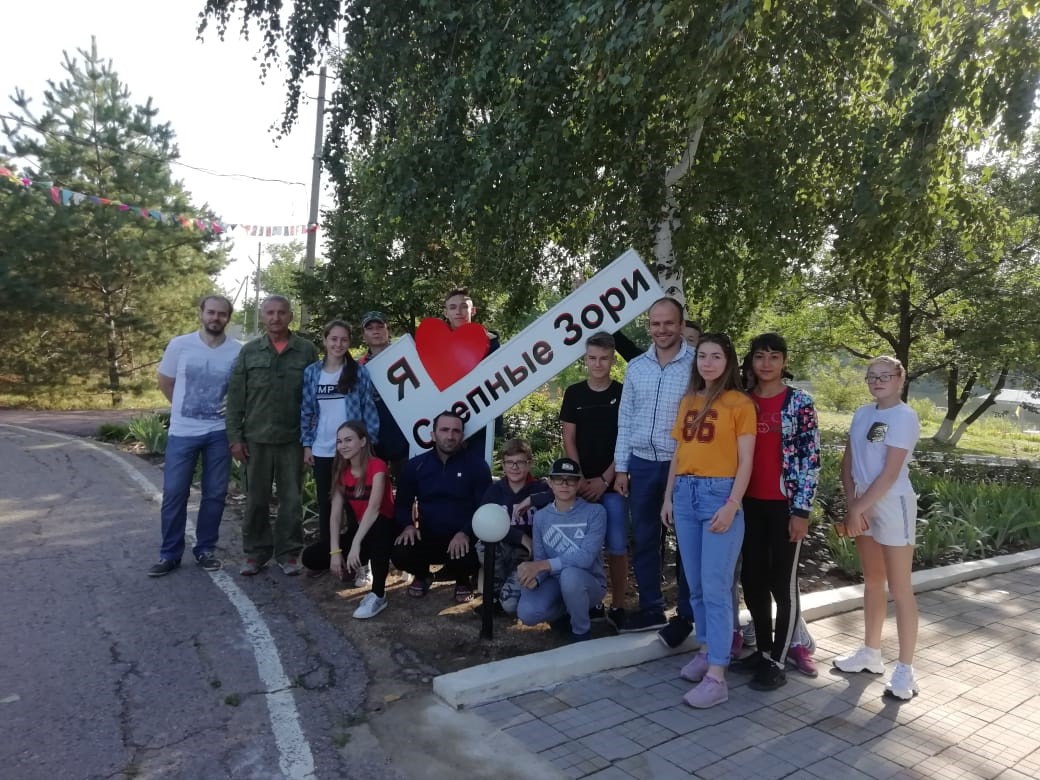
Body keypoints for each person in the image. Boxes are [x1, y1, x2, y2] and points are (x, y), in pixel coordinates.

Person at [662, 333, 756, 708]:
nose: (708, 362)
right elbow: (679, 452)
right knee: (696, 585)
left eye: (716, 356)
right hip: (685, 493)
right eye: (702, 356)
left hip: (720, 495)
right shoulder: (688, 401)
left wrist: (733, 503)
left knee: (716, 588)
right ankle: (706, 649)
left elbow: (746, 460)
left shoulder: (739, 403)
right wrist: (668, 496)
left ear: (728, 361)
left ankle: (718, 675)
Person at [733, 333, 821, 690]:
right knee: (752, 580)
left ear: (784, 361)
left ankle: (778, 659)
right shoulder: (742, 402)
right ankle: (764, 649)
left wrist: (801, 509)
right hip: (747, 504)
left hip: (785, 507)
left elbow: (810, 459)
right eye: (759, 356)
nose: (766, 363)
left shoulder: (799, 402)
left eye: (773, 356)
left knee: (782, 584)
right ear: (751, 361)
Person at [833, 356, 921, 701]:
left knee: (900, 588)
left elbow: (889, 473)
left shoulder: (904, 416)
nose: (878, 381)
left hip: (891, 505)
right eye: (872, 376)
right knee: (872, 580)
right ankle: (870, 652)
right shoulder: (862, 413)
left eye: (885, 376)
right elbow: (849, 461)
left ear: (900, 378)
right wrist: (852, 499)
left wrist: (858, 508)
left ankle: (905, 670)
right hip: (862, 502)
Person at [613, 297, 694, 634]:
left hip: (686, 467)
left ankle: (688, 613)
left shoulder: (696, 365)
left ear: (680, 324)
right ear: (648, 326)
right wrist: (621, 467)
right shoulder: (636, 367)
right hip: (643, 465)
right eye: (655, 323)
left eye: (668, 323)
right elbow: (626, 419)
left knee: (688, 541)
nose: (661, 330)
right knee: (645, 539)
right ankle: (651, 608)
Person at [226, 295, 320, 576]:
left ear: (291, 316)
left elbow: (316, 398)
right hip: (256, 440)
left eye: (281, 312)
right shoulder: (249, 352)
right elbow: (235, 398)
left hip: (293, 440)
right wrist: (235, 437)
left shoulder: (306, 351)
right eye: (270, 312)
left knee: (292, 500)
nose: (276, 317)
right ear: (262, 316)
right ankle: (256, 553)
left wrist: (310, 440)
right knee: (256, 500)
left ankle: (289, 553)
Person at [148, 295, 242, 576]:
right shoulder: (180, 345)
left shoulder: (237, 351)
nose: (215, 318)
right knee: (175, 493)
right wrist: (184, 408)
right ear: (201, 313)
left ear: (228, 318)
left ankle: (205, 549)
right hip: (182, 431)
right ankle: (169, 554)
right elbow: (165, 382)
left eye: (221, 314)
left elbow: (237, 391)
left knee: (214, 494)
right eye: (211, 312)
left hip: (218, 432)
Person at [300, 320, 381, 584]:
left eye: (343, 340)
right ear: (325, 341)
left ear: (349, 342)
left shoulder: (358, 372)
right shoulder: (313, 372)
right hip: (324, 450)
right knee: (327, 506)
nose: (338, 344)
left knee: (357, 506)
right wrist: (307, 444)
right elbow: (307, 411)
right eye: (333, 339)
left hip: (353, 452)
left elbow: (369, 411)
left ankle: (362, 563)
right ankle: (332, 558)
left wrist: (369, 444)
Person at [559, 331, 629, 626]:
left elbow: (627, 439)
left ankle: (619, 604)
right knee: (582, 545)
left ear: (613, 359)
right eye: (592, 358)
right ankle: (590, 601)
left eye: (604, 358)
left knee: (616, 543)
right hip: (580, 483)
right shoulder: (574, 393)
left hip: (612, 483)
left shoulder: (624, 392)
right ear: (585, 359)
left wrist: (604, 479)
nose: (598, 364)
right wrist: (581, 479)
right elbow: (569, 439)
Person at [391, 410, 492, 602]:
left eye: (456, 431)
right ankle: (423, 575)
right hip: (427, 537)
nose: (450, 436)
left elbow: (484, 508)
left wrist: (466, 532)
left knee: (468, 558)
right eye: (444, 430)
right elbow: (402, 505)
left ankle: (463, 580)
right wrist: (408, 526)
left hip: (462, 540)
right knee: (400, 552)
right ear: (433, 434)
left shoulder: (477, 466)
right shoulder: (415, 466)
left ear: (462, 435)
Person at [301, 421, 396, 619]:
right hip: (361, 532)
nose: (343, 445)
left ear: (362, 441)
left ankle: (378, 594)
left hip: (385, 530)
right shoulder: (341, 473)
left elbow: (374, 508)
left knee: (377, 526)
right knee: (311, 557)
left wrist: (355, 545)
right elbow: (335, 515)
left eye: (348, 440)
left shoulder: (377, 466)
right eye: (339, 441)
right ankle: (362, 562)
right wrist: (335, 552)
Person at [516, 458, 607, 642]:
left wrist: (541, 565)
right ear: (550, 482)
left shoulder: (595, 512)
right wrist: (534, 578)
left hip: (587, 582)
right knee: (527, 612)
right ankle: (565, 613)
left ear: (579, 483)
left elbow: (586, 558)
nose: (564, 484)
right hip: (555, 582)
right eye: (559, 479)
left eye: (570, 479)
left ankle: (581, 631)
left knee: (570, 576)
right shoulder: (541, 517)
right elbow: (540, 558)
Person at [478, 439, 553, 614]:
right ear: (503, 465)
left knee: (510, 606)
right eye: (509, 462)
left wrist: (533, 499)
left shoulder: (540, 488)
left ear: (529, 464)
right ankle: (493, 595)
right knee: (483, 544)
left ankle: (512, 594)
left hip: (528, 556)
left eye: (520, 462)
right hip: (503, 550)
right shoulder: (494, 491)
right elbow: (484, 523)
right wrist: (521, 537)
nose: (515, 467)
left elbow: (564, 495)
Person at [444, 287, 501, 453]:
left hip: (481, 420)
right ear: (446, 312)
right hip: (447, 421)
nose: (459, 312)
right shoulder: (438, 344)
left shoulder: (490, 342)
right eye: (452, 307)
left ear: (473, 310)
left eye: (464, 306)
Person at [358, 311, 410, 475]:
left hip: (405, 433)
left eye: (380, 326)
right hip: (375, 435)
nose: (376, 331)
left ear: (388, 330)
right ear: (364, 335)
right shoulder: (359, 366)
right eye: (370, 328)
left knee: (406, 488)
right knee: (375, 486)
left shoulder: (407, 355)